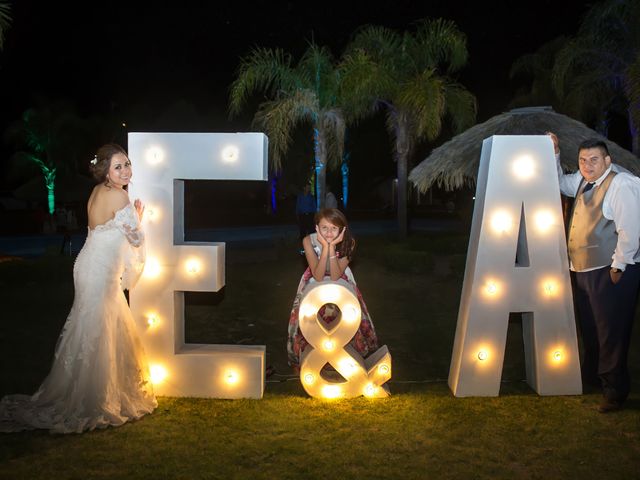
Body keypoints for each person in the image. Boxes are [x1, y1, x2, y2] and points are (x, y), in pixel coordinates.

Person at [0, 144, 157, 433]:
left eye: (127, 164)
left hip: (87, 264)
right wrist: (139, 215)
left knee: (92, 326)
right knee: (97, 328)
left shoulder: (97, 191)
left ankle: (91, 390)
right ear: (106, 171)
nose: (126, 171)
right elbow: (135, 240)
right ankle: (92, 399)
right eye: (118, 166)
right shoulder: (120, 195)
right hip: (99, 272)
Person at [550, 133, 640, 413]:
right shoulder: (580, 180)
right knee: (590, 328)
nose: (588, 165)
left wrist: (619, 266)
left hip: (610, 270)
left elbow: (632, 229)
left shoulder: (621, 183)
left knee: (611, 332)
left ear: (607, 160)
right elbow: (555, 183)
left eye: (594, 160)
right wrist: (554, 154)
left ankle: (615, 391)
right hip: (582, 270)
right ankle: (594, 377)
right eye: (582, 160)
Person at [287, 208, 379, 370]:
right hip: (314, 280)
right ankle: (313, 356)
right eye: (324, 228)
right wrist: (325, 246)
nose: (329, 232)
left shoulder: (349, 242)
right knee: (310, 319)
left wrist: (331, 247)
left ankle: (346, 356)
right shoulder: (308, 241)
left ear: (342, 229)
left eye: (334, 228)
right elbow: (318, 275)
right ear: (317, 227)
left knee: (347, 316)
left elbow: (336, 274)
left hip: (342, 279)